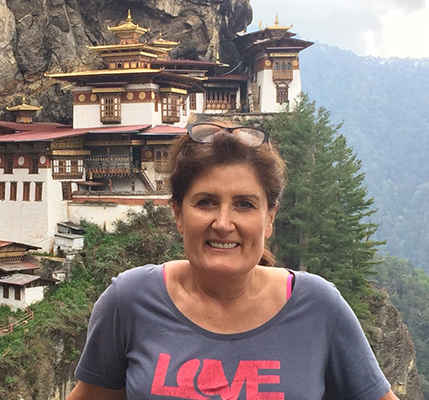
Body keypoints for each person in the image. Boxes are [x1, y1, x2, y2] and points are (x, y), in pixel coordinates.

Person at [67, 122, 398, 400]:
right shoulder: (131, 300)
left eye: (244, 204)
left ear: (270, 218)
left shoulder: (319, 307)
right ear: (178, 213)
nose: (223, 223)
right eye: (206, 202)